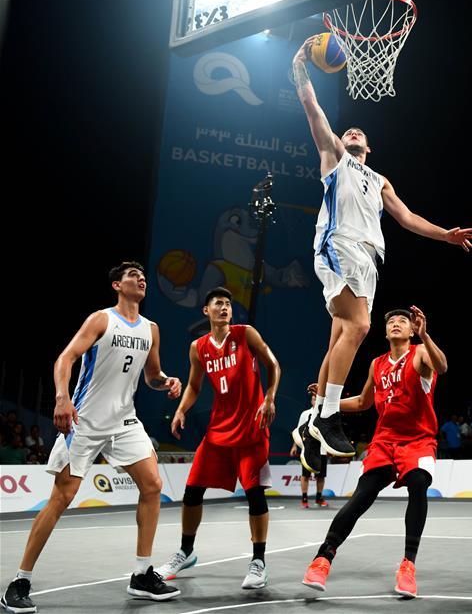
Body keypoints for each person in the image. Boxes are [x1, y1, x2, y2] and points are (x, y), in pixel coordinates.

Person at [290, 38, 472, 461]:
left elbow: (408, 219)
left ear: (370, 148)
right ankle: (327, 418)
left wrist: (445, 234)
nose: (354, 132)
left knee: (340, 332)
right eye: (350, 130)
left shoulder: (379, 180)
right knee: (359, 327)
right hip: (340, 244)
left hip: (370, 259)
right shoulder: (335, 156)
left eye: (362, 134)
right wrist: (300, 66)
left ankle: (313, 417)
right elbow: (311, 106)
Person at [2, 262, 183, 613]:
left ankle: (141, 574)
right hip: (85, 420)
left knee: (152, 486)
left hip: (124, 421)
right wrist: (61, 398)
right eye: (132, 275)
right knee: (62, 497)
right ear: (117, 285)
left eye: (143, 275)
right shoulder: (101, 319)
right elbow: (65, 358)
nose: (140, 279)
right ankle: (19, 581)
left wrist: (167, 382)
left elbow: (151, 375)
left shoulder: (152, 329)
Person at [301, 306, 447, 598]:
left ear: (411, 330)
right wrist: (328, 403)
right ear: (385, 331)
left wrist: (426, 335)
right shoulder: (376, 364)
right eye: (391, 321)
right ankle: (322, 559)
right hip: (384, 441)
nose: (396, 323)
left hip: (418, 440)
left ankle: (408, 566)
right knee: (362, 496)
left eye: (402, 321)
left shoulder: (419, 353)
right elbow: (363, 403)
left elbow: (442, 367)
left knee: (418, 484)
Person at [156, 287, 280, 590]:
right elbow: (194, 386)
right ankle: (185, 551)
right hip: (218, 432)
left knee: (255, 494)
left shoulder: (245, 334)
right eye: (218, 304)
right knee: (192, 491)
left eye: (227, 304)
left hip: (252, 428)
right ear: (206, 311)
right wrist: (181, 410)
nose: (224, 308)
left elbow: (273, 365)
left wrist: (270, 398)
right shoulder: (198, 347)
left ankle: (258, 561)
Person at [291, 389, 330, 508]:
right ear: (311, 401)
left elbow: (328, 433)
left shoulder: (325, 414)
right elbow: (298, 430)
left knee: (321, 476)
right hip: (307, 450)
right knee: (305, 475)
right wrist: (294, 446)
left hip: (322, 451)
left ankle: (319, 498)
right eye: (313, 399)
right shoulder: (305, 414)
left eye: (316, 399)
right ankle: (304, 498)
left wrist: (328, 447)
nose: (315, 401)